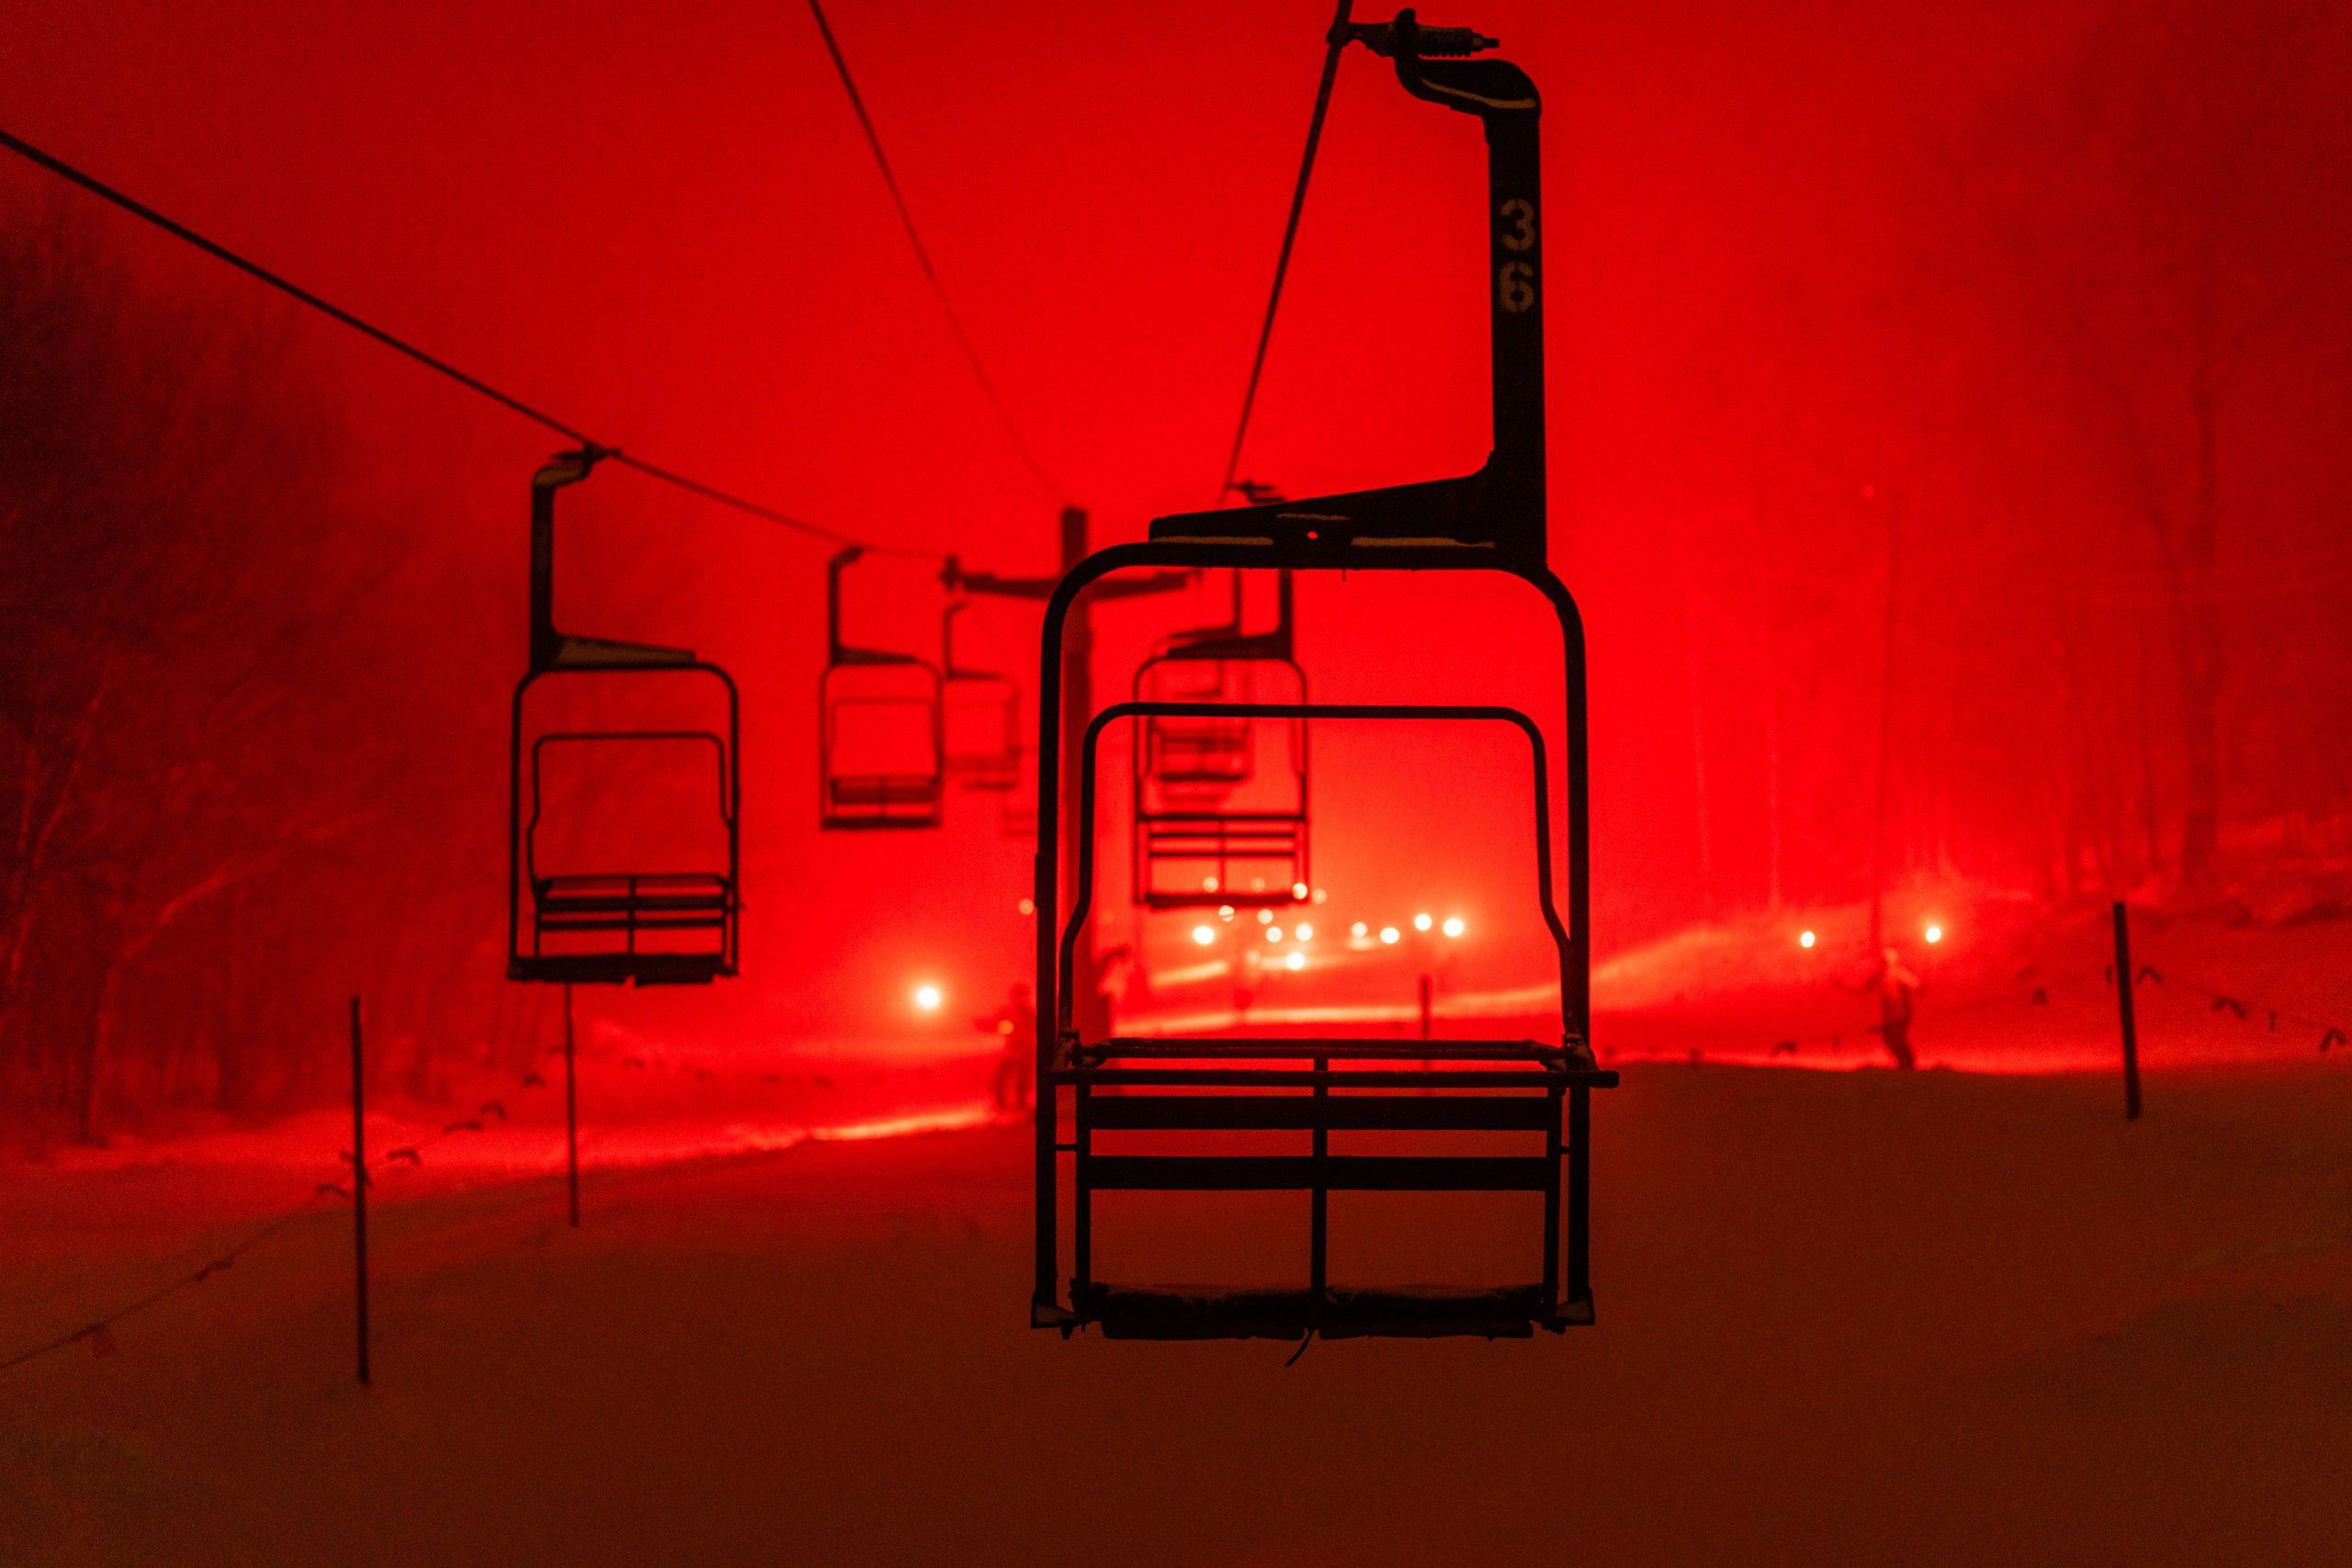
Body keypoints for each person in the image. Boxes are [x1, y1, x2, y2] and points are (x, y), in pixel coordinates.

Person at [976, 983, 1036, 1113]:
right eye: (1016, 995)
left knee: (1022, 1080)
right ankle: (1001, 1105)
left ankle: (1021, 1106)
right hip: (1011, 1051)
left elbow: (1031, 1031)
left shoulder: (1030, 1014)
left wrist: (1019, 1033)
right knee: (1000, 1078)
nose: (1018, 999)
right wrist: (982, 1025)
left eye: (1021, 996)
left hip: (1026, 1051)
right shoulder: (1006, 1012)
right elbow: (994, 1025)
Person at [1868, 946, 1923, 1069]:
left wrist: (1921, 985)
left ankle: (1908, 1064)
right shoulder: (1881, 976)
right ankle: (1905, 1063)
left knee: (1896, 1038)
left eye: (1883, 960)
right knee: (1889, 1039)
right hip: (1889, 1014)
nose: (1882, 963)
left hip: (1900, 1012)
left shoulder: (1898, 972)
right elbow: (1865, 986)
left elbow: (1916, 984)